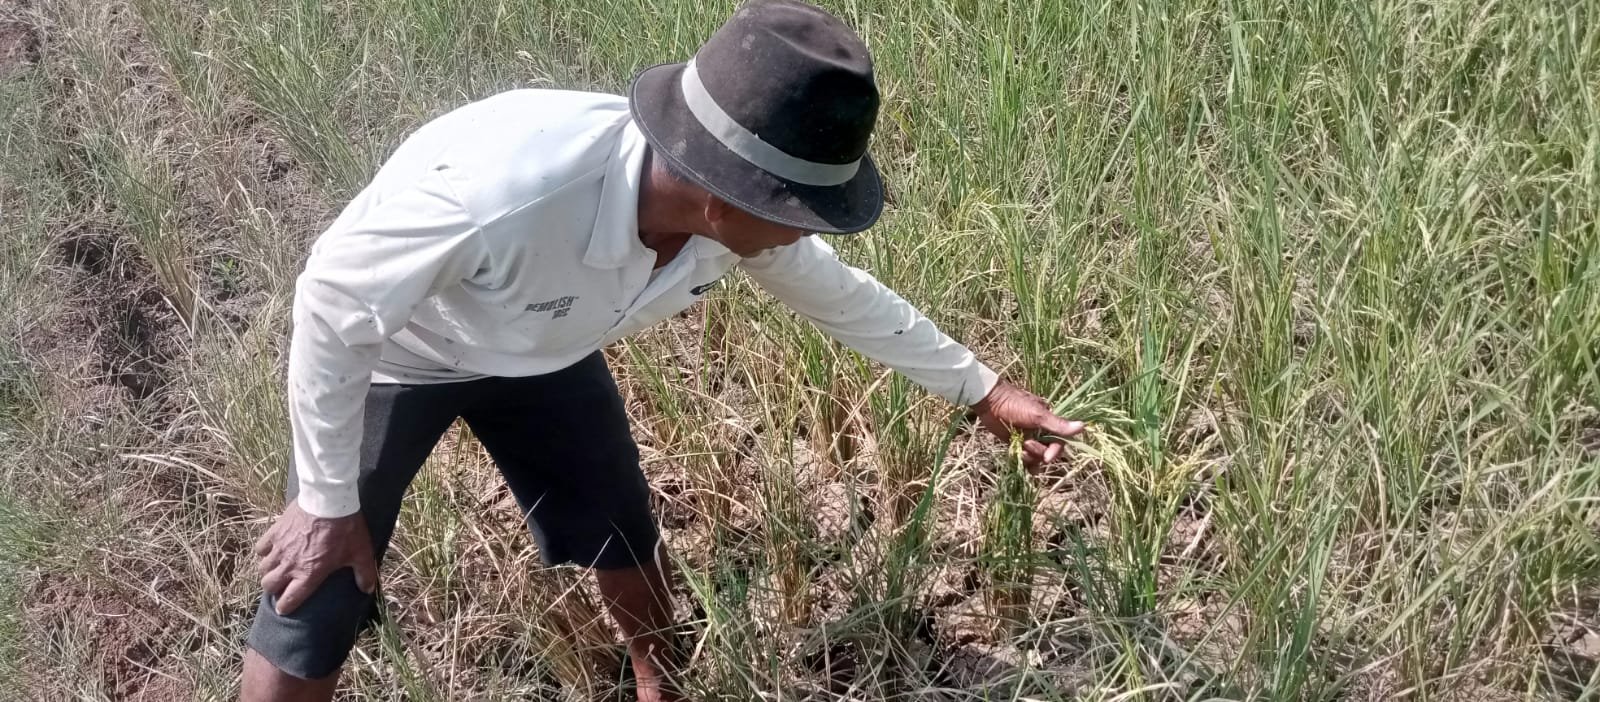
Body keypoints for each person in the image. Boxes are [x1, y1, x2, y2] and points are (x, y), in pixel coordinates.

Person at [240, 1, 1085, 700]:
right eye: (802, 212)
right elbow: (334, 299)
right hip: (405, 354)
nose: (805, 233)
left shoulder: (731, 223)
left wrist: (983, 392)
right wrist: (324, 497)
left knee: (624, 533)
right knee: (318, 580)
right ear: (723, 197)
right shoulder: (505, 191)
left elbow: (842, 297)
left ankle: (661, 687)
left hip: (546, 353)